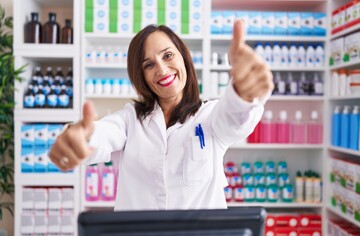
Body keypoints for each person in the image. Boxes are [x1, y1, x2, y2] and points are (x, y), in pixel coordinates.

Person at [49, 20, 274, 210]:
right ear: (142, 77)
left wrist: (243, 93)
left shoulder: (209, 116)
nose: (162, 70)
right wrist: (79, 137)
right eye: (149, 64)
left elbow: (234, 119)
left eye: (167, 56)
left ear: (183, 57)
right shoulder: (130, 120)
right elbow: (103, 133)